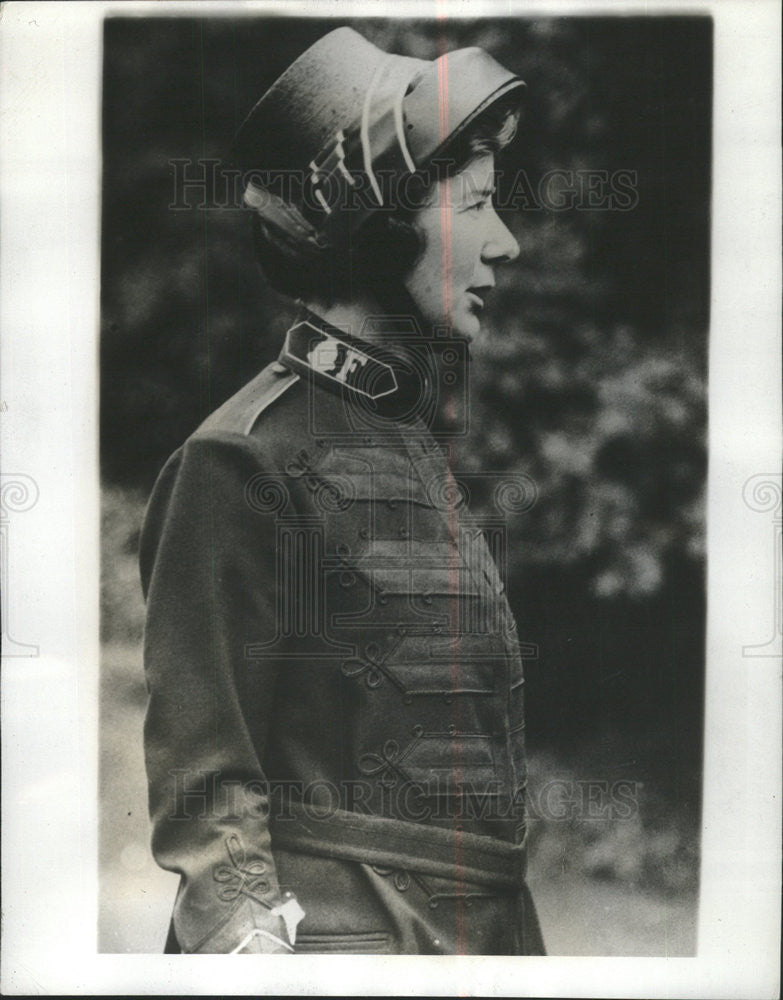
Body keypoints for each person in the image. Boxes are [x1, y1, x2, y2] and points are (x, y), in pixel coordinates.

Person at [139, 25, 545, 956]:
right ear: (383, 219)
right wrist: (255, 951)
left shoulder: (401, 434)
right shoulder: (240, 458)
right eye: (476, 204)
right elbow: (210, 787)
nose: (507, 244)